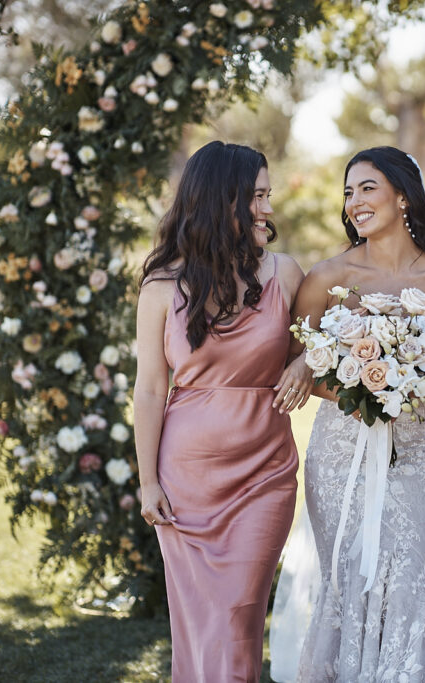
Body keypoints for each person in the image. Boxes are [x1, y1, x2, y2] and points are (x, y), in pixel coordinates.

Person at [276, 146, 425, 682]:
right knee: (345, 581)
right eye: (348, 192)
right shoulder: (326, 278)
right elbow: (297, 365)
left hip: (409, 455)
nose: (354, 202)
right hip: (338, 455)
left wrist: (409, 381)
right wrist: (356, 383)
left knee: (403, 579)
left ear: (402, 194)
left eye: (367, 188)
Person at [133, 141, 311, 682]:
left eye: (268, 196)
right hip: (186, 480)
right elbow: (148, 390)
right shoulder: (162, 287)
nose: (268, 209)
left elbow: (318, 348)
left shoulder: (286, 274)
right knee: (198, 619)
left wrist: (306, 364)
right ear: (224, 200)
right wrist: (146, 482)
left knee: (239, 613)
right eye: (257, 196)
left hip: (265, 472)